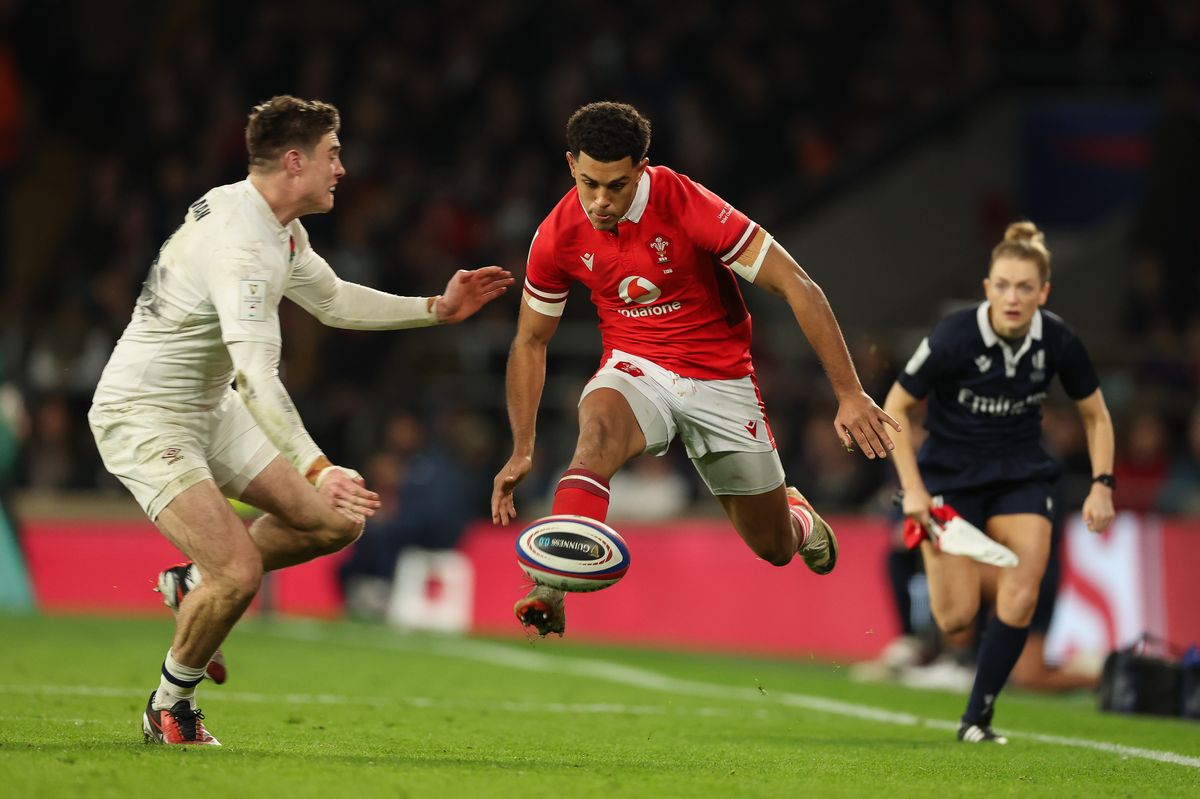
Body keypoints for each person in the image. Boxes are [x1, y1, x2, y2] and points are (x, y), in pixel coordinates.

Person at [87, 95, 512, 746]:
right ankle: (169, 706)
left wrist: (436, 308)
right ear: (294, 161)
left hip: (209, 405)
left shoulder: (270, 223)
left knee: (336, 520)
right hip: (145, 415)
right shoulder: (242, 246)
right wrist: (318, 466)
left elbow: (333, 300)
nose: (341, 168)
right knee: (239, 573)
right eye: (332, 154)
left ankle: (191, 582)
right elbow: (256, 377)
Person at [490, 101, 898, 637]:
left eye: (616, 185)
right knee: (597, 436)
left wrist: (849, 393)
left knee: (773, 547)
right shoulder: (557, 233)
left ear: (641, 168)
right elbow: (530, 341)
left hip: (721, 378)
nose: (600, 200)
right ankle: (551, 585)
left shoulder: (685, 203)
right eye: (589, 183)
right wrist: (522, 448)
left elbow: (797, 286)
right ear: (571, 165)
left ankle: (797, 518)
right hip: (635, 366)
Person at [882, 221, 1115, 744]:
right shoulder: (954, 336)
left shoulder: (1058, 340)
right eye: (1003, 286)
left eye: (1025, 287)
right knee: (955, 617)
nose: (1013, 298)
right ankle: (932, 537)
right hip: (951, 476)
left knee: (1023, 591)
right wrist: (913, 488)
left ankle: (977, 718)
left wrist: (1102, 484)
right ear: (987, 288)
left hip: (1021, 473)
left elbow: (1096, 415)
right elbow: (895, 405)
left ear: (1043, 293)